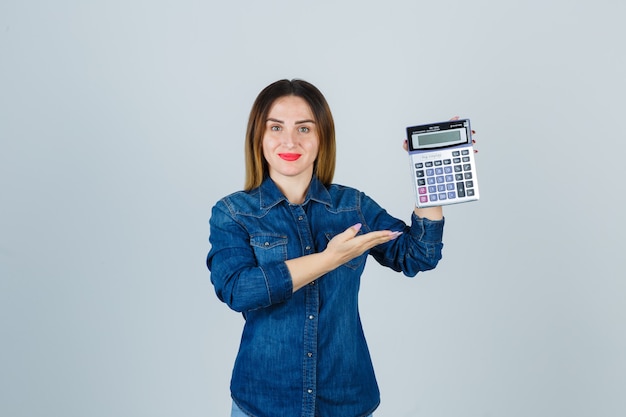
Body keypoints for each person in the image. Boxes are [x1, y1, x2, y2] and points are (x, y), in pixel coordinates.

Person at [207, 79, 445, 417]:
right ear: (259, 137)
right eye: (276, 127)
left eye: (304, 128)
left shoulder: (353, 207)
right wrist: (328, 259)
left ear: (322, 138)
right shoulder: (232, 212)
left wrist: (432, 182)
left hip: (346, 401)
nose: (290, 140)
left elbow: (417, 255)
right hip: (263, 402)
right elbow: (237, 290)